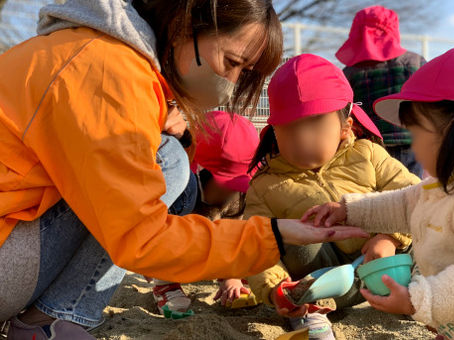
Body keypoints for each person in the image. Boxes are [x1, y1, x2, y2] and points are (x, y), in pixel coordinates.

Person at [0, 1, 369, 339]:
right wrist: (274, 234)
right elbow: (142, 237)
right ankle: (54, 317)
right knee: (167, 160)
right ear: (184, 26)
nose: (233, 83)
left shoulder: (99, 55)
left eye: (245, 71)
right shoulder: (107, 75)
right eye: (231, 61)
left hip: (16, 240)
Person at [303, 46, 454, 339]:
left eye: (420, 134)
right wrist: (347, 210)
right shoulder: (442, 184)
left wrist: (417, 299)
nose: (413, 146)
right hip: (452, 318)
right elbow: (401, 204)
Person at [237, 54, 420, 340]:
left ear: (345, 125)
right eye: (288, 127)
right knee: (286, 236)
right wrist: (277, 289)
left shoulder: (368, 155)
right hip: (327, 282)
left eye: (313, 123)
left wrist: (389, 237)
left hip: (389, 264)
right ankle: (311, 310)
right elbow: (254, 246)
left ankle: (422, 298)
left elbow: (414, 195)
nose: (300, 138)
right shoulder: (265, 184)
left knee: (432, 235)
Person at [152, 110, 260, 317]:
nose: (232, 190)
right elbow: (158, 231)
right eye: (226, 183)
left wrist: (231, 276)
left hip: (210, 242)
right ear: (199, 169)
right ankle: (165, 284)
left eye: (239, 183)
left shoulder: (239, 196)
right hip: (181, 241)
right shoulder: (180, 191)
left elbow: (233, 236)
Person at [336, 6, 426, 177]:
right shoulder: (414, 62)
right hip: (409, 140)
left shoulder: (350, 72)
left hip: (368, 145)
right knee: (411, 189)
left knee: (375, 193)